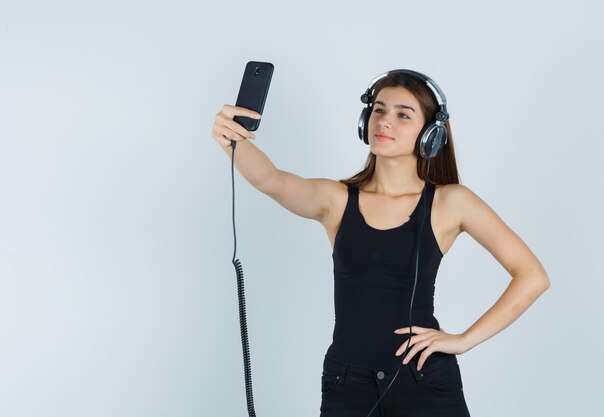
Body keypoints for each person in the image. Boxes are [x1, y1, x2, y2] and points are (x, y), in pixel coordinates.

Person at [211, 71, 551, 417]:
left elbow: (532, 275)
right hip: (346, 384)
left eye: (403, 114)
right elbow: (272, 180)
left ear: (430, 134)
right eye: (378, 110)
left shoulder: (451, 202)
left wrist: (464, 339)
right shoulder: (337, 199)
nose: (385, 121)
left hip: (424, 381)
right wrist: (232, 141)